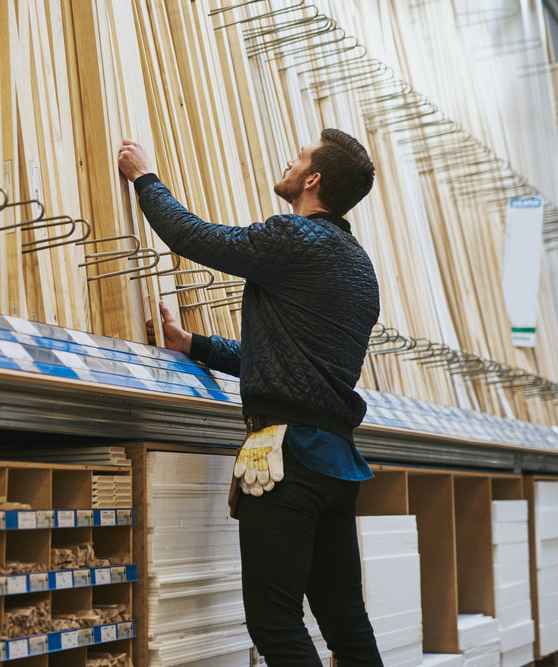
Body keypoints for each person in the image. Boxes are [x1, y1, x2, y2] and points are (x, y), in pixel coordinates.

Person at [117, 129, 384, 665]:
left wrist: (145, 178)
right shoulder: (359, 267)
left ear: (313, 180)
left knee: (275, 621)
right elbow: (287, 360)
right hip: (335, 465)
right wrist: (196, 345)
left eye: (300, 157)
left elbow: (193, 237)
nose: (288, 160)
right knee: (344, 621)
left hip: (287, 458)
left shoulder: (295, 239)